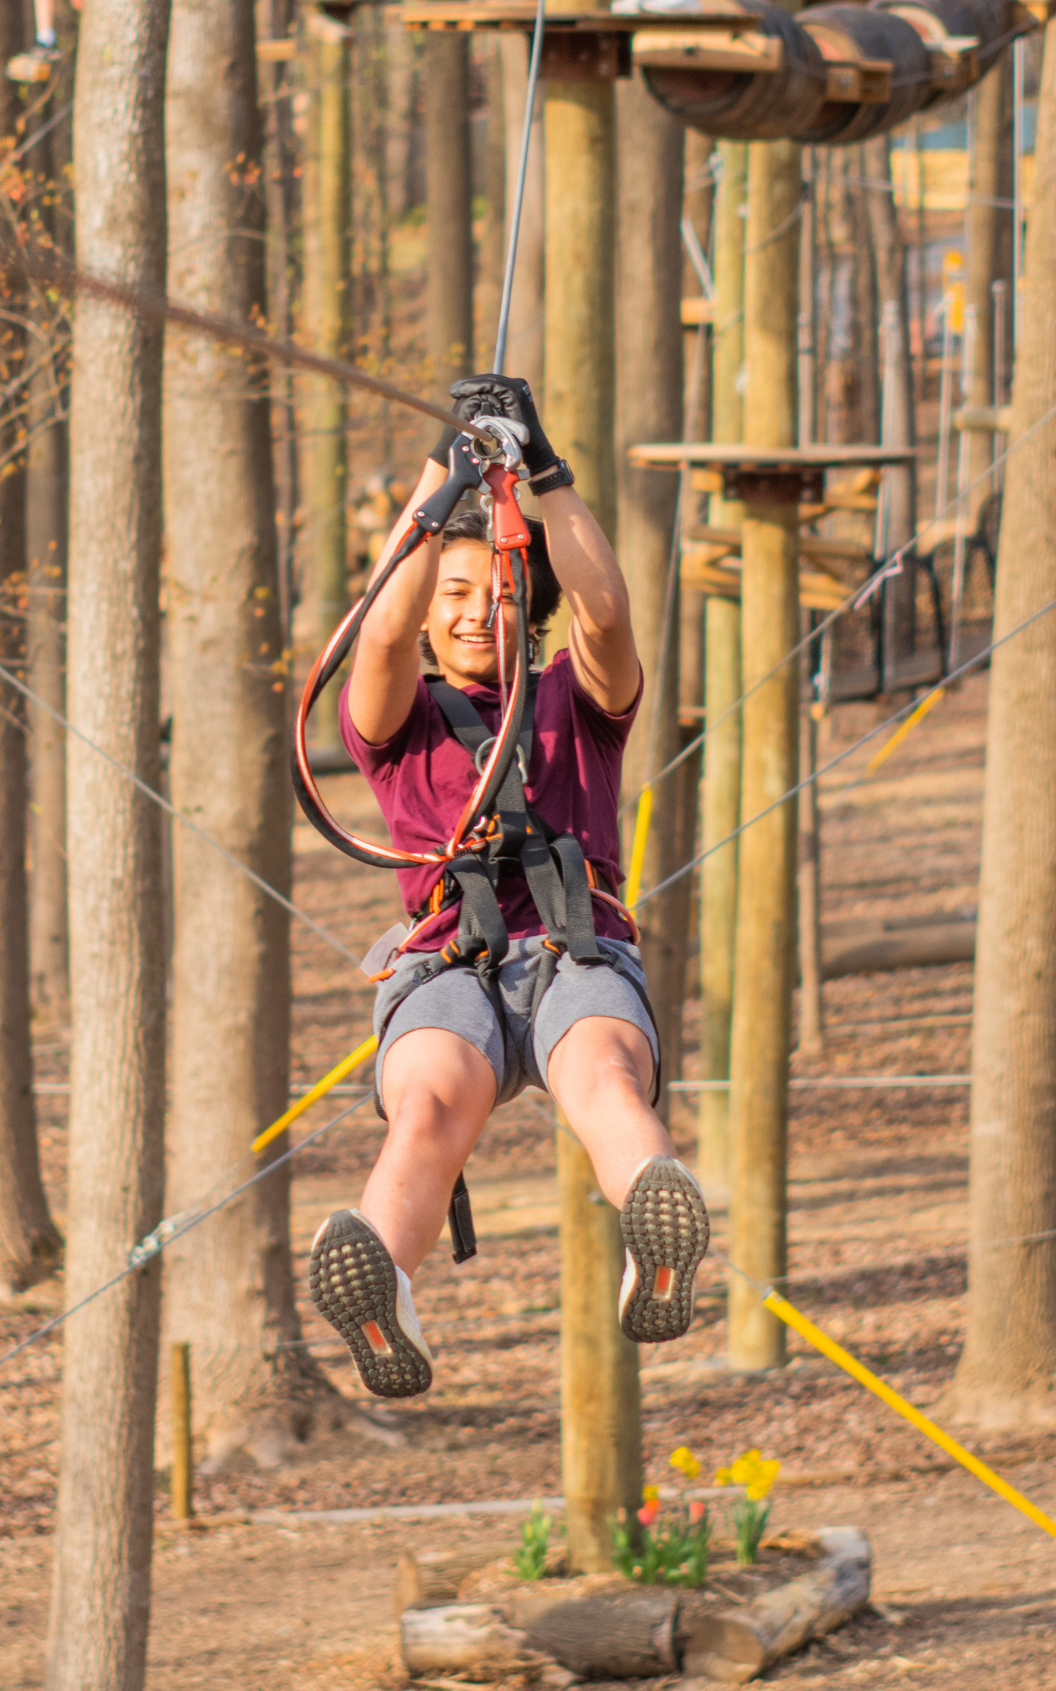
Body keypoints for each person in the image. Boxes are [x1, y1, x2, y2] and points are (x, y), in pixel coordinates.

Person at [308, 373, 709, 1398]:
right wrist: (443, 476)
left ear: (523, 607)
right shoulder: (398, 725)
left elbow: (607, 613)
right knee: (431, 1102)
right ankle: (385, 1280)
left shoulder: (579, 703)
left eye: (490, 592)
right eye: (451, 597)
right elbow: (381, 633)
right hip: (451, 958)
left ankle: (655, 1224)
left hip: (575, 948)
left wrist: (544, 472)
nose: (472, 611)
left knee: (602, 1074)